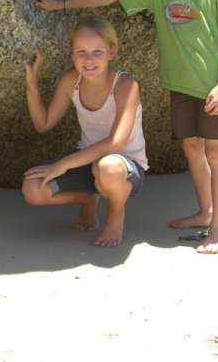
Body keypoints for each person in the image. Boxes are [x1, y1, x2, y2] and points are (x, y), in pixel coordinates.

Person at [30, 0, 218, 254]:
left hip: (212, 87)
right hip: (181, 87)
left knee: (216, 152)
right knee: (191, 149)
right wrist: (61, 4)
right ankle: (204, 211)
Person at [22, 16, 148, 248]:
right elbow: (43, 123)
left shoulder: (126, 86)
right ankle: (88, 200)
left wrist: (63, 164)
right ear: (72, 55)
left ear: (112, 53)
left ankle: (114, 217)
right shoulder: (71, 80)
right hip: (87, 163)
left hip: (125, 167)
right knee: (33, 189)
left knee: (108, 166)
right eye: (81, 51)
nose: (89, 60)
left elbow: (116, 143)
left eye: (97, 52)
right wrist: (32, 82)